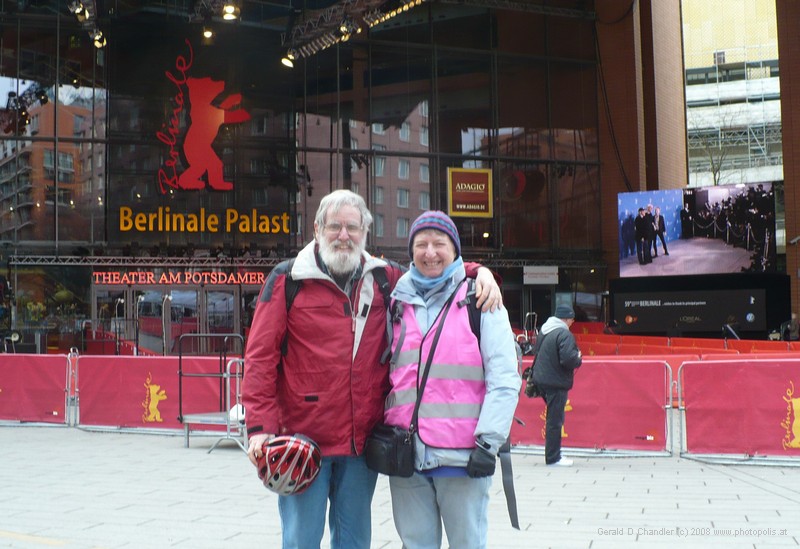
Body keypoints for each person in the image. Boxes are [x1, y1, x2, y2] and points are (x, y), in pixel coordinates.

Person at [241, 190, 502, 549]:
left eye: (352, 227)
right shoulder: (288, 281)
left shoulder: (384, 278)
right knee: (301, 541)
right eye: (335, 227)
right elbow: (259, 360)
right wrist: (259, 428)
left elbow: (434, 269)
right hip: (303, 441)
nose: (344, 235)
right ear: (317, 229)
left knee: (355, 542)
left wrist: (478, 271)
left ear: (365, 232)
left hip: (359, 447)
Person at [383, 211, 521, 549]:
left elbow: (504, 378)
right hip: (406, 456)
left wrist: (488, 443)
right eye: (421, 244)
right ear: (411, 251)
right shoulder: (396, 303)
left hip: (462, 457)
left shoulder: (481, 299)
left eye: (439, 244)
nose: (430, 252)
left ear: (455, 249)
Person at [531, 304, 582, 466]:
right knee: (555, 420)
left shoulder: (545, 330)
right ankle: (553, 457)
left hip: (542, 379)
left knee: (553, 418)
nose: (572, 323)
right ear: (566, 319)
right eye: (572, 320)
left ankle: (554, 453)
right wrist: (578, 357)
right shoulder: (564, 334)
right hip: (555, 381)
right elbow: (568, 359)